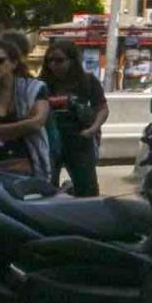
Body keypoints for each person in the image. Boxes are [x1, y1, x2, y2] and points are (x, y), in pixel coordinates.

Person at [0, 40, 52, 179]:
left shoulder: (33, 89)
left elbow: (37, 122)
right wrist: (21, 127)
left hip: (28, 163)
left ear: (14, 63)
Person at [37, 38, 108, 197]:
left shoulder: (87, 81)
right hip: (49, 139)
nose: (54, 65)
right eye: (50, 61)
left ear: (72, 60)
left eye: (60, 60)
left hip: (79, 139)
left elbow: (102, 108)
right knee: (47, 187)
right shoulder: (41, 84)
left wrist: (93, 129)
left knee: (87, 188)